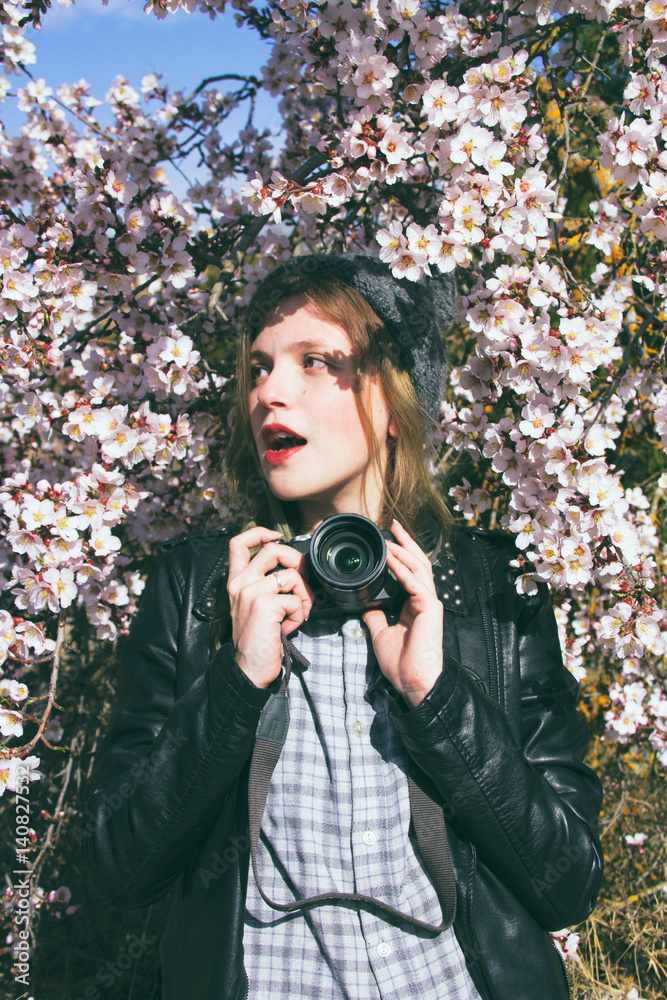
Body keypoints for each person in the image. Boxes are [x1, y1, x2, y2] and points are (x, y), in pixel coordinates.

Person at [81, 253, 604, 1000]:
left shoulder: (490, 589)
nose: (270, 393)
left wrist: (436, 698)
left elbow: (568, 883)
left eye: (315, 362)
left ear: (391, 402)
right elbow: (119, 869)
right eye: (258, 369)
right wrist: (237, 681)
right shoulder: (200, 589)